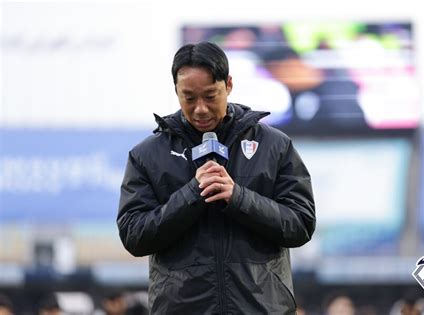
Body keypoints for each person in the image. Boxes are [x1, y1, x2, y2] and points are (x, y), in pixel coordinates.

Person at [117, 41, 316, 314]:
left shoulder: (274, 146)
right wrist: (192, 194)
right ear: (176, 90)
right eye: (189, 97)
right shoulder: (146, 156)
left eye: (210, 96)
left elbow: (301, 223)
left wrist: (238, 197)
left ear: (229, 85)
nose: (200, 109)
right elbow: (134, 235)